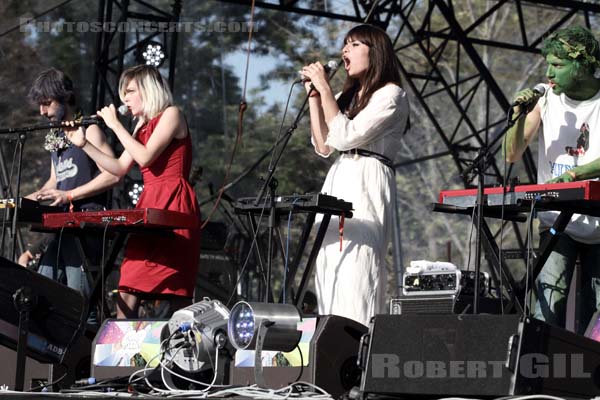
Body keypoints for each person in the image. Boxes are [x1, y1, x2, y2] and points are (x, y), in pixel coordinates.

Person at [66, 65, 201, 319]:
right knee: (129, 283)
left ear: (148, 90)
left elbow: (146, 157)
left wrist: (116, 126)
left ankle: (178, 352)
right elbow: (118, 169)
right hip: (148, 203)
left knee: (176, 289)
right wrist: (84, 145)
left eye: (129, 91)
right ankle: (123, 352)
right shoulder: (140, 126)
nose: (124, 99)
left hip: (174, 203)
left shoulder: (172, 114)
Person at [300, 24, 409, 327]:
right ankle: (330, 345)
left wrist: (323, 89)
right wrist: (314, 97)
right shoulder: (345, 96)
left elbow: (347, 136)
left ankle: (359, 346)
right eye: (344, 44)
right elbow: (324, 145)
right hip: (341, 174)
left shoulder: (391, 95)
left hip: (367, 178)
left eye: (354, 44)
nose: (344, 50)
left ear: (376, 53)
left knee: (358, 266)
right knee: (329, 264)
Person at [504, 26, 600, 333]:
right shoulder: (544, 96)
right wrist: (519, 116)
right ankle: (543, 375)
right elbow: (512, 153)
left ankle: (586, 378)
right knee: (547, 306)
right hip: (558, 218)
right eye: (548, 64)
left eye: (558, 65)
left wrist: (576, 175)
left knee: (594, 316)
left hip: (599, 220)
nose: (549, 72)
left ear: (582, 66)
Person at [25, 68, 119, 318]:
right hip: (62, 225)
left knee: (78, 300)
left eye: (47, 104)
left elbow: (112, 173)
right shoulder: (55, 137)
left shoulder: (89, 130)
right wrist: (21, 202)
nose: (42, 112)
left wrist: (70, 195)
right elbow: (55, 181)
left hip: (87, 225)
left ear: (65, 97)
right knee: (44, 287)